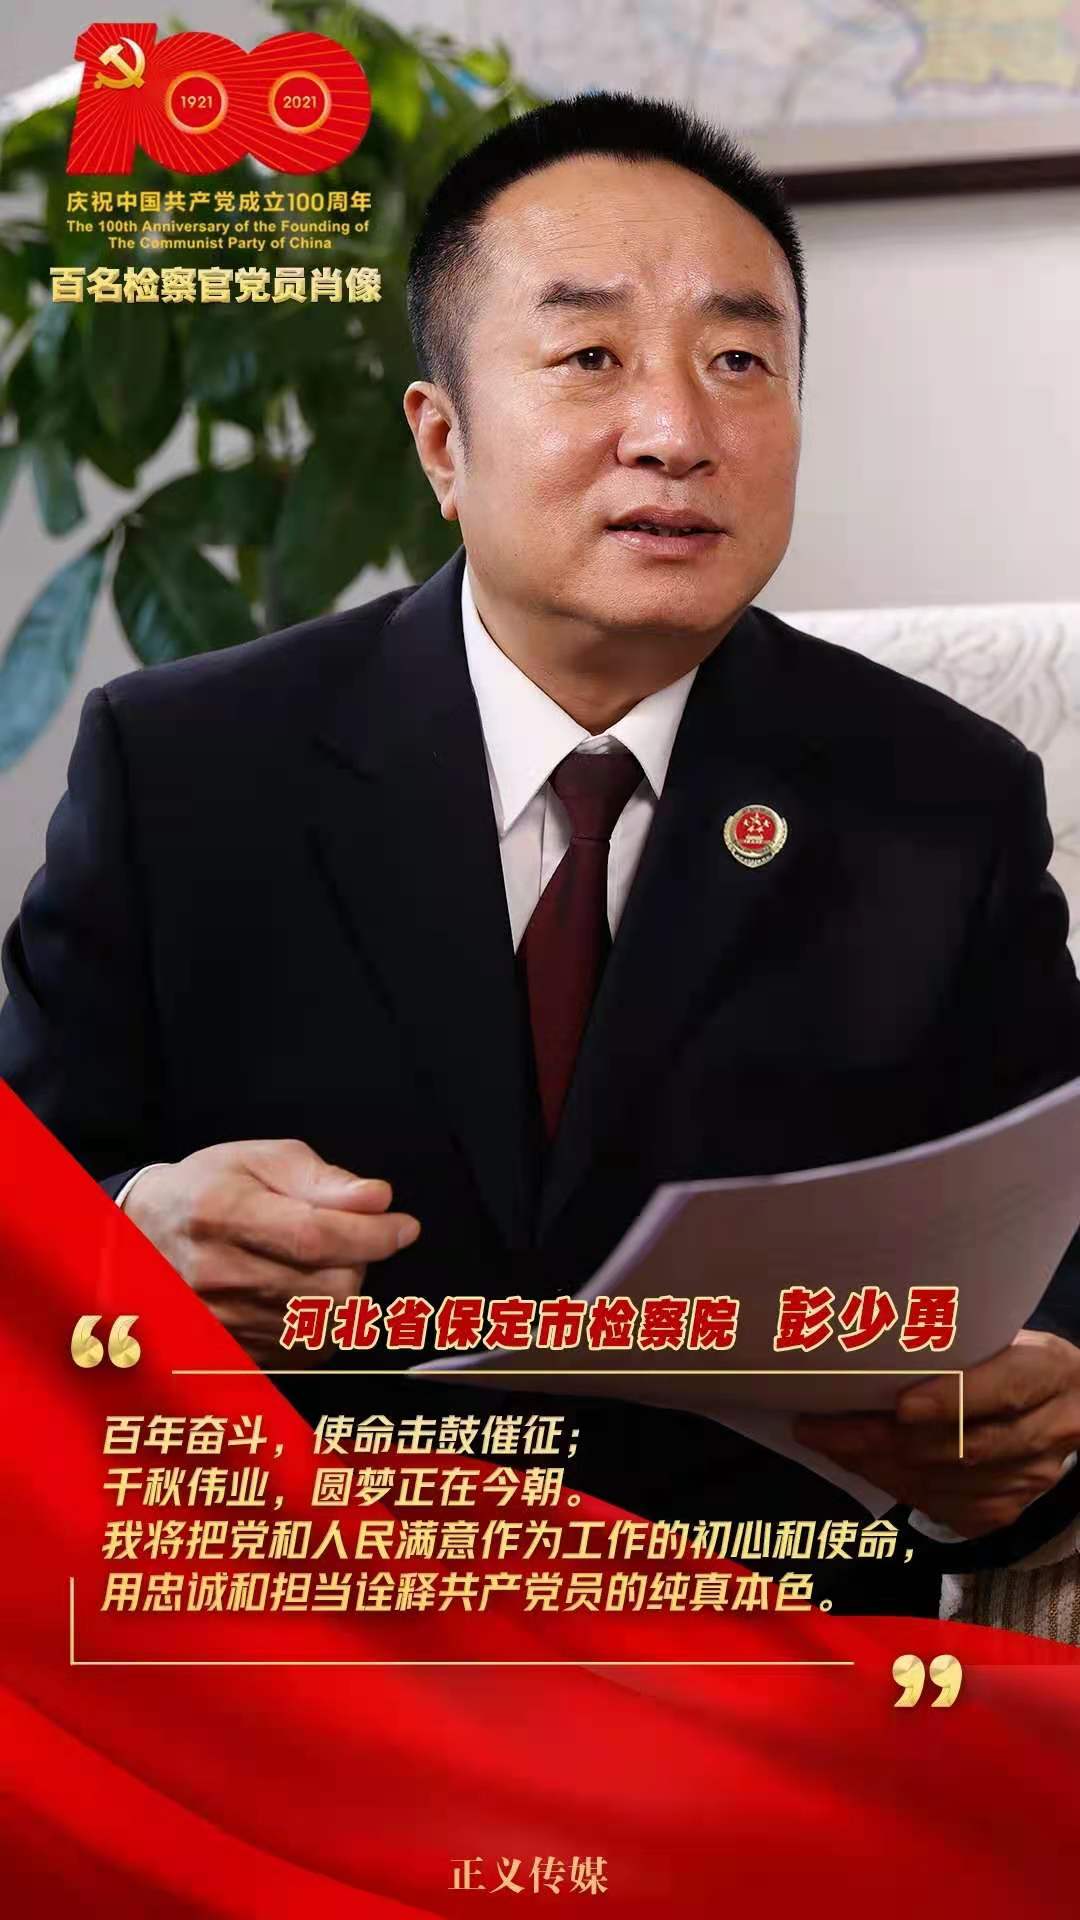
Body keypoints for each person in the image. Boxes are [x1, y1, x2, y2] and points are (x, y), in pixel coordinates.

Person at [3, 91, 1080, 1616]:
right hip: (297, 1635)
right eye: (590, 357)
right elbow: (33, 1198)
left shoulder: (942, 797)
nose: (678, 433)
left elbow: (1050, 1218)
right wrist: (133, 1238)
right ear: (442, 441)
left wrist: (1043, 1400)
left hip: (757, 1641)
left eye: (739, 362)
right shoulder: (184, 768)